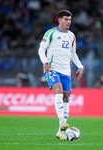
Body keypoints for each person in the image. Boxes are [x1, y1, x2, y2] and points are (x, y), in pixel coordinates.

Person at [38, 10, 84, 141]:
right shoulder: (51, 33)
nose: (68, 22)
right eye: (65, 19)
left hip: (66, 71)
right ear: (59, 20)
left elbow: (73, 53)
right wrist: (45, 62)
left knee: (66, 97)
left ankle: (60, 131)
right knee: (58, 90)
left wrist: (80, 65)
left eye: (70, 19)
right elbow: (41, 49)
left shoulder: (72, 36)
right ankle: (63, 122)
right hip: (52, 68)